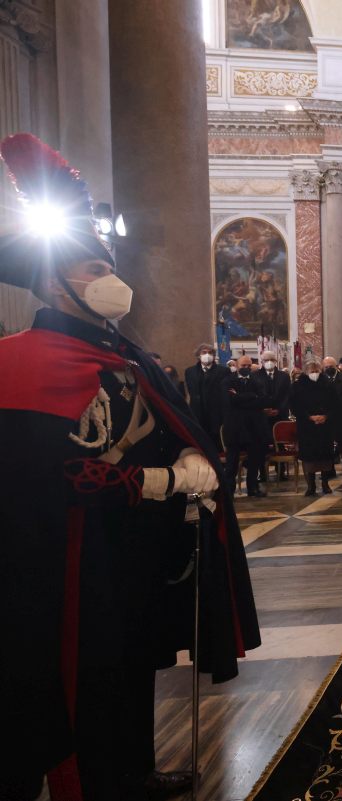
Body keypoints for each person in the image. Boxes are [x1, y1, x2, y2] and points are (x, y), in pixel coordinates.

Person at [0, 133, 258, 800]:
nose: (110, 280)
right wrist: (161, 481)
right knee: (86, 675)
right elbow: (47, 473)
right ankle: (96, 785)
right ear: (54, 282)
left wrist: (190, 456)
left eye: (107, 265)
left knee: (134, 663)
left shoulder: (124, 355)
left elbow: (166, 426)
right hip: (71, 561)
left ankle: (134, 771)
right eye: (93, 268)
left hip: (135, 549)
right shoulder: (19, 362)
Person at [222, 354, 270, 496]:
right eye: (243, 365)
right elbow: (229, 401)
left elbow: (262, 401)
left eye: (249, 365)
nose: (247, 368)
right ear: (237, 366)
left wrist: (239, 397)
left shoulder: (258, 380)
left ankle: (252, 488)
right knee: (232, 462)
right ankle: (229, 490)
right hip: (235, 427)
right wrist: (251, 396)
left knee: (254, 460)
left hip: (254, 426)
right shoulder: (227, 381)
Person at [289, 358, 338, 495]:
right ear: (306, 372)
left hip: (324, 426)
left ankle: (325, 483)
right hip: (306, 426)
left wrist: (326, 416)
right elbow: (294, 405)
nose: (315, 373)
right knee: (309, 457)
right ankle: (311, 486)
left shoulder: (328, 384)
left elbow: (336, 404)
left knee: (325, 456)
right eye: (312, 371)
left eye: (317, 371)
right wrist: (309, 417)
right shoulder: (297, 386)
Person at [255, 350, 290, 482]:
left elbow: (287, 395)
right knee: (261, 445)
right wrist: (263, 409)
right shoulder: (255, 376)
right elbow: (255, 395)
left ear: (276, 361)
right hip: (262, 416)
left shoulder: (284, 376)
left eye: (271, 360)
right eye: (266, 360)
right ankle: (263, 473)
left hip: (279, 416)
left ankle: (281, 471)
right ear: (262, 362)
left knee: (280, 445)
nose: (269, 362)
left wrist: (279, 410)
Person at [185, 343, 225, 447]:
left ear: (214, 355)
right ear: (198, 355)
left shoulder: (223, 371)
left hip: (216, 413)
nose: (207, 355)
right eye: (204, 352)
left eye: (210, 352)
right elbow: (191, 390)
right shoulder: (190, 371)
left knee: (216, 443)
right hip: (198, 413)